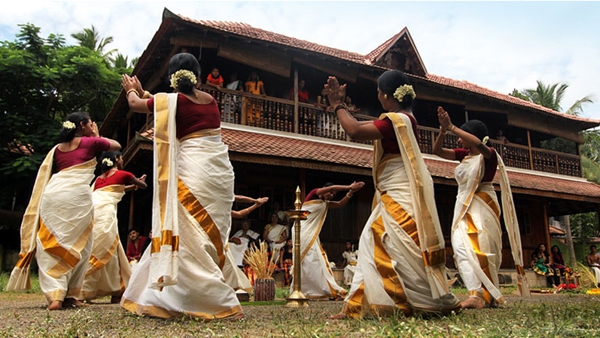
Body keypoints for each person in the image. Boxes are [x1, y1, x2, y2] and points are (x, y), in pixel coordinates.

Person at [324, 71, 461, 319]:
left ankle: (420, 301)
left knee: (381, 240)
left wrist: (337, 105)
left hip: (399, 193)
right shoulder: (404, 119)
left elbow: (354, 130)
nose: (378, 97)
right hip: (395, 192)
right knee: (376, 241)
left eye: (378, 92)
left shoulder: (397, 120)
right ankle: (359, 305)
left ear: (387, 95)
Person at [120, 52, 243, 320]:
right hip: (218, 174)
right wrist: (147, 93)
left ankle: (213, 301)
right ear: (198, 76)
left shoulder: (171, 101)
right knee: (203, 238)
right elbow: (176, 107)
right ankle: (192, 295)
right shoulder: (211, 100)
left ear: (172, 79)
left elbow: (136, 105)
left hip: (193, 172)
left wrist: (132, 90)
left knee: (189, 237)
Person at [5, 112, 121, 310]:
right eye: (90, 122)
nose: (92, 125)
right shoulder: (90, 142)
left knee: (53, 241)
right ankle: (69, 294)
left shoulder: (57, 149)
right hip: (76, 197)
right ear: (83, 125)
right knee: (82, 245)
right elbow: (116, 146)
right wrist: (95, 134)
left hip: (53, 194)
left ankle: (58, 295)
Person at [433, 109, 529, 309]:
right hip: (464, 205)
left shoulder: (489, 154)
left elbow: (478, 145)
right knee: (460, 246)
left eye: (462, 137)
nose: (459, 141)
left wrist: (452, 127)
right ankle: (475, 293)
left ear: (472, 136)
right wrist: (443, 131)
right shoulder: (464, 155)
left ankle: (488, 293)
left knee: (482, 246)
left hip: (483, 203)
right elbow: (437, 152)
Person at [80, 151, 147, 303]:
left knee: (108, 247)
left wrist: (132, 187)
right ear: (116, 159)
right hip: (106, 214)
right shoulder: (124, 174)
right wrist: (141, 180)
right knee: (102, 247)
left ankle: (116, 289)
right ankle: (87, 288)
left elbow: (118, 189)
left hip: (93, 213)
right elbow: (143, 186)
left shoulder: (98, 180)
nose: (122, 160)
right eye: (121, 157)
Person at [293, 182, 364, 299]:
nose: (331, 195)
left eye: (333, 194)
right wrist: (348, 186)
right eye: (330, 192)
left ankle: (318, 290)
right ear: (324, 189)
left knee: (317, 260)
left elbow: (341, 204)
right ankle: (305, 290)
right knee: (310, 260)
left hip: (312, 235)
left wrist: (350, 192)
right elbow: (331, 187)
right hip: (301, 231)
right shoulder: (313, 194)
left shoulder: (325, 204)